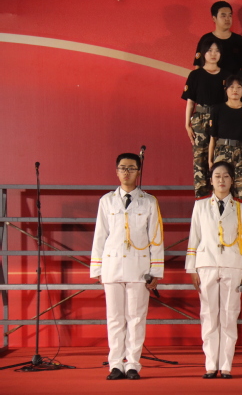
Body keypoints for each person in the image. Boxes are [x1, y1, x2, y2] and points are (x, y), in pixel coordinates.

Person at [91, 153, 164, 380]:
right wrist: (97, 269)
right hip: (112, 266)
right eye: (122, 168)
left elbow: (156, 238)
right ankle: (115, 364)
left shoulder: (149, 201)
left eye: (131, 168)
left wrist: (156, 271)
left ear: (138, 171)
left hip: (139, 268)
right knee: (114, 318)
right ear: (116, 171)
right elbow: (100, 236)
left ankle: (132, 363)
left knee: (136, 318)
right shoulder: (106, 201)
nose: (126, 172)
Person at [185, 161, 242, 379]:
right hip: (206, 264)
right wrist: (192, 268)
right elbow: (194, 238)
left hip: (233, 264)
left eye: (225, 176)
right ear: (211, 180)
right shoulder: (200, 205)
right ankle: (210, 364)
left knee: (229, 314)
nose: (221, 180)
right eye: (217, 176)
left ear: (232, 180)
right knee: (208, 314)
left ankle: (226, 365)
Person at [182, 38, 229, 197]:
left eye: (217, 51)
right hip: (200, 120)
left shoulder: (227, 75)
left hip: (221, 119)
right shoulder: (195, 75)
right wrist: (187, 124)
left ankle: (220, 197)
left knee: (220, 157)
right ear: (203, 53)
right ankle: (201, 198)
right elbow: (190, 102)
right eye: (209, 51)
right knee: (200, 159)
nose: (213, 54)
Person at [208, 75, 242, 201]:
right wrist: (210, 160)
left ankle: (241, 214)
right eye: (231, 87)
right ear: (226, 90)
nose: (235, 90)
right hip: (222, 152)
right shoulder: (217, 109)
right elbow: (213, 138)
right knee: (221, 188)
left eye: (239, 87)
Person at [193, 1, 242, 74]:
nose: (227, 19)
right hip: (210, 79)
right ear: (214, 18)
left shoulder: (238, 39)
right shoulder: (206, 39)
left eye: (230, 15)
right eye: (223, 16)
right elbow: (198, 65)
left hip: (232, 80)